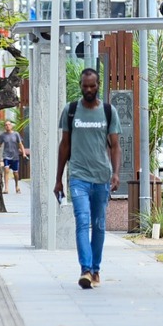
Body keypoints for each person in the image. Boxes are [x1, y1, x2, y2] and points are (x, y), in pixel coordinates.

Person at [54, 68, 121, 289]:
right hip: (78, 177)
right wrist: (58, 179)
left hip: (101, 177)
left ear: (98, 85)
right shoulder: (71, 111)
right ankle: (85, 270)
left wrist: (115, 173)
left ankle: (96, 269)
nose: (89, 89)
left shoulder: (109, 112)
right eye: (85, 86)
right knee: (82, 221)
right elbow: (64, 146)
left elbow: (115, 146)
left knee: (99, 225)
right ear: (81, 85)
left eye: (92, 86)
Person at [0, 119, 29, 194]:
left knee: (15, 173)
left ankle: (17, 186)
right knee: (6, 170)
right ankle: (6, 188)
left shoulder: (16, 134)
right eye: (6, 125)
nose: (7, 126)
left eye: (9, 124)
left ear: (11, 126)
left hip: (15, 156)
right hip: (6, 155)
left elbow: (20, 144)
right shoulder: (3, 135)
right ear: (4, 127)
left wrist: (24, 153)